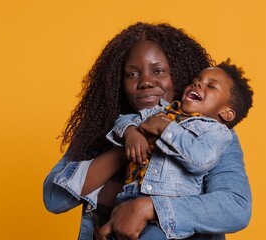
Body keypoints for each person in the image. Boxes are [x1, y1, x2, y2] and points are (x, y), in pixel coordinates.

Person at [43, 22, 251, 240]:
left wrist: (150, 207)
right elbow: (54, 199)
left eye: (159, 71)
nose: (145, 82)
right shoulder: (104, 130)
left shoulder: (206, 134)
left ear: (179, 75)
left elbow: (235, 208)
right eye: (132, 74)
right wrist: (131, 145)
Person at [105, 61, 253, 239]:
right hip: (126, 204)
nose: (197, 84)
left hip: (165, 219)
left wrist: (165, 128)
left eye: (211, 86)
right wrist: (130, 132)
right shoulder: (163, 111)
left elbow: (201, 159)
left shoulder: (216, 132)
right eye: (196, 80)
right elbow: (124, 120)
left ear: (226, 113)